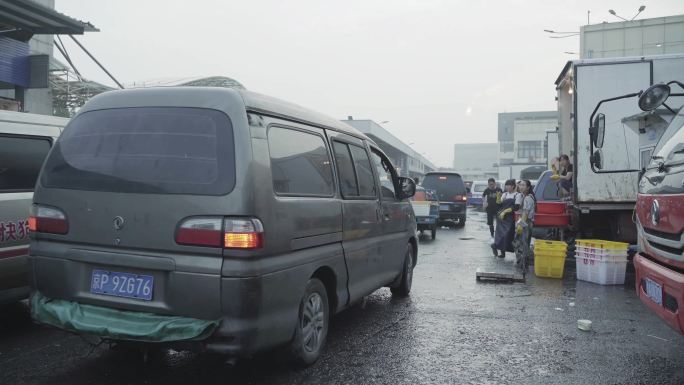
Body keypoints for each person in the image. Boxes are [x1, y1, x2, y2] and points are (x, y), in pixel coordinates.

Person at [492, 179, 522, 258]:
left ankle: (496, 246)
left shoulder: (517, 195)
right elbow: (499, 205)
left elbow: (516, 207)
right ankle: (501, 252)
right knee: (499, 234)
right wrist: (498, 198)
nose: (507, 187)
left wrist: (506, 211)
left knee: (508, 235)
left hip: (510, 218)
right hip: (501, 217)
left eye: (509, 185)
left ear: (513, 186)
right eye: (506, 185)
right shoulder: (504, 194)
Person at [515, 179, 536, 266]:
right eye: (520, 185)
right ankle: (522, 262)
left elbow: (526, 212)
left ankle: (523, 263)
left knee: (522, 243)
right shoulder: (522, 196)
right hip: (524, 221)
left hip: (526, 222)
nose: (521, 187)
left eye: (523, 185)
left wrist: (521, 225)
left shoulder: (528, 197)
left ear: (528, 188)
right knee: (523, 242)